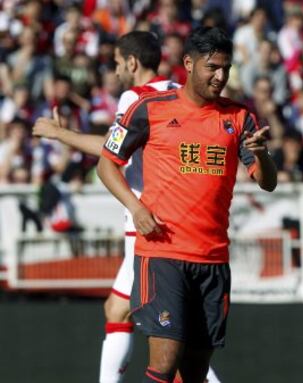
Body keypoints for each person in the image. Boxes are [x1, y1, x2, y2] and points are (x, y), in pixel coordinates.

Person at [32, 30, 220, 383]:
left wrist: (61, 135)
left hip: (149, 228)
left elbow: (112, 152)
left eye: (118, 64)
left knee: (166, 332)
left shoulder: (135, 97)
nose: (116, 71)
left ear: (131, 62)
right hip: (182, 223)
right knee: (123, 311)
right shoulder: (179, 94)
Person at [97, 26, 277, 383]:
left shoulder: (240, 117)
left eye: (225, 68)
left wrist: (263, 156)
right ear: (189, 64)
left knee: (192, 374)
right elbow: (107, 164)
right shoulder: (148, 108)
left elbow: (267, 182)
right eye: (212, 67)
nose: (220, 76)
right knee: (163, 365)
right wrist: (136, 208)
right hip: (163, 256)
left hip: (212, 259)